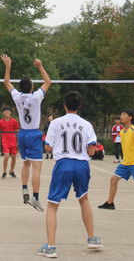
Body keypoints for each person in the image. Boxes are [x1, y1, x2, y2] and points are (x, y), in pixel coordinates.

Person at [37, 91, 102, 258]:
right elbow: (92, 151)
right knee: (84, 199)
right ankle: (92, 238)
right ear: (79, 106)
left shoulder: (56, 123)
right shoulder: (87, 124)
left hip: (63, 164)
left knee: (52, 204)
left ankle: (51, 247)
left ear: (64, 105)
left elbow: (48, 148)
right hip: (82, 164)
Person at [1, 54, 51, 212]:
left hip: (21, 134)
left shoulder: (17, 96)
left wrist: (8, 66)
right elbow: (48, 82)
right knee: (37, 168)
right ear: (31, 87)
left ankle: (24, 189)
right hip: (34, 134)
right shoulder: (36, 97)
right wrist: (40, 66)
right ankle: (35, 197)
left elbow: (7, 82)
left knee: (26, 163)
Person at [0, 106, 20, 179]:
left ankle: (11, 171)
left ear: (10, 112)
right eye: (5, 111)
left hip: (13, 141)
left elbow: (17, 132)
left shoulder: (14, 121)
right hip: (5, 141)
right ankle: (4, 172)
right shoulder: (0, 122)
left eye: (8, 111)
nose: (7, 112)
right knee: (6, 157)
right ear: (3, 112)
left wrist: (18, 141)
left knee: (13, 157)